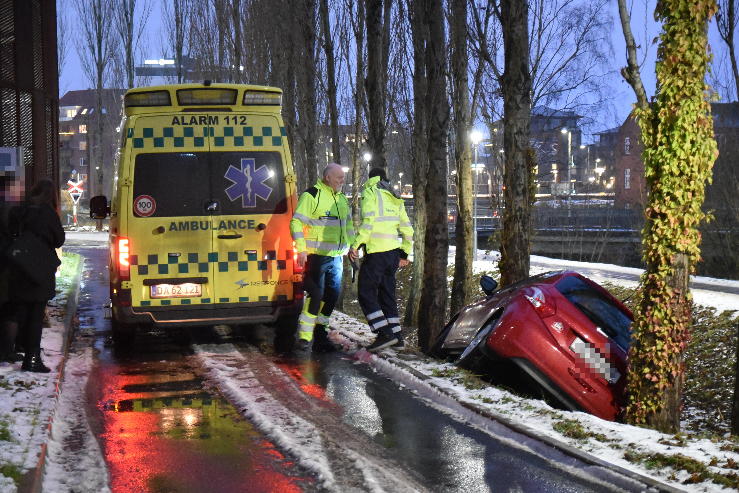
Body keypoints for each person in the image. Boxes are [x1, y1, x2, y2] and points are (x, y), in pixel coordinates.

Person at [290, 163, 355, 352]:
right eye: (339, 178)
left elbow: (348, 226)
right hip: (317, 255)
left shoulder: (341, 199)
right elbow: (296, 222)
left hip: (336, 257)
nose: (342, 181)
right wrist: (301, 249)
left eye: (343, 178)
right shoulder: (312, 195)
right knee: (316, 295)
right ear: (327, 177)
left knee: (332, 295)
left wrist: (352, 245)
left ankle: (321, 335)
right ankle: (304, 336)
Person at [349, 167, 413, 352]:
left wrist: (356, 244)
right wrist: (404, 254)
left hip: (376, 253)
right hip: (393, 253)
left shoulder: (370, 192)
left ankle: (384, 333)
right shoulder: (394, 195)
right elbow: (408, 230)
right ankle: (397, 337)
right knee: (387, 294)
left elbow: (368, 223)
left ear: (371, 178)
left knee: (365, 292)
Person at [7, 179, 65, 372]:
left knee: (21, 310)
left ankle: (17, 347)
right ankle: (32, 359)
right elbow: (59, 239)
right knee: (35, 315)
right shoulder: (48, 213)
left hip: (18, 266)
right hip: (39, 269)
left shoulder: (20, 210)